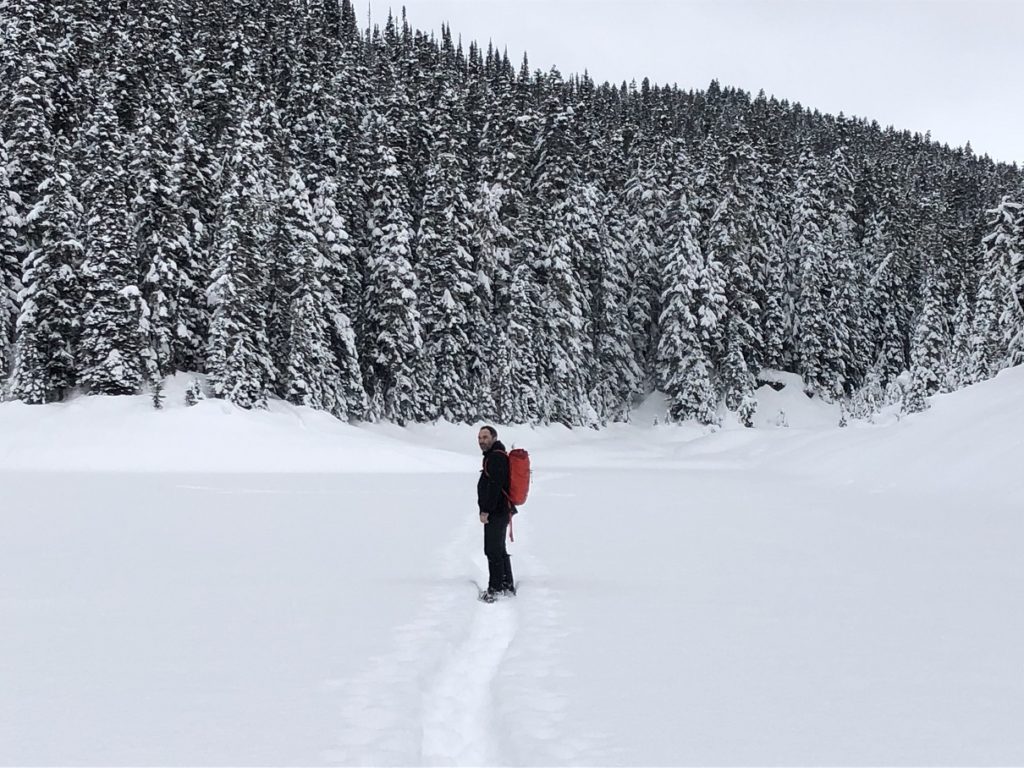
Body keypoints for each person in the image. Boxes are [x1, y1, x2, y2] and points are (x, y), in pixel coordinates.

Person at [477, 425, 515, 600]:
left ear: (494, 438)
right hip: (501, 510)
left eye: (485, 437)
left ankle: (496, 588)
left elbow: (495, 487)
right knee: (498, 549)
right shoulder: (495, 456)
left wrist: (486, 510)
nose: (481, 441)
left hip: (497, 511)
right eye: (480, 438)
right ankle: (507, 584)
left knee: (492, 550)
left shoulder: (496, 458)